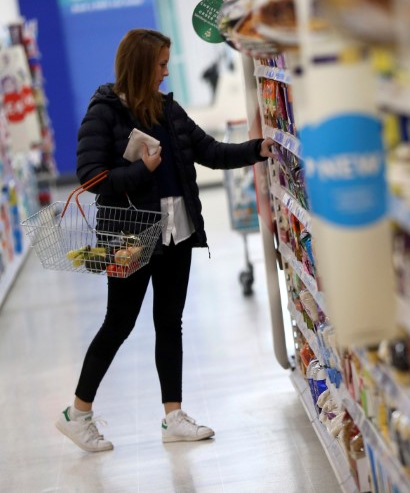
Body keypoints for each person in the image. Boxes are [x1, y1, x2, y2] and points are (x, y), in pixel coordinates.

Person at [55, 28, 276, 452]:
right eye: (160, 64)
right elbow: (92, 177)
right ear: (141, 66)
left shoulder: (168, 110)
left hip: (177, 231)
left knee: (168, 323)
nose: (165, 71)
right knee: (118, 324)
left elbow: (210, 151)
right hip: (129, 237)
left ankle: (173, 416)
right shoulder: (104, 113)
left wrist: (258, 149)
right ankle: (77, 414)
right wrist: (144, 171)